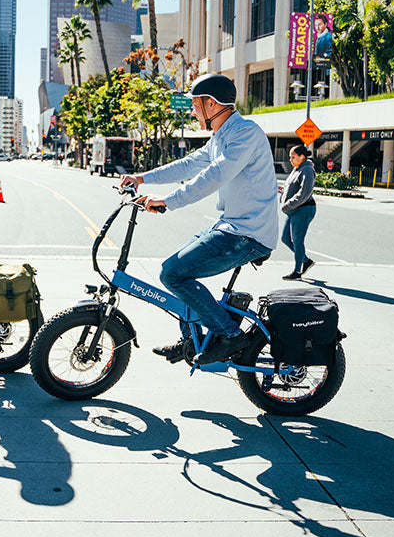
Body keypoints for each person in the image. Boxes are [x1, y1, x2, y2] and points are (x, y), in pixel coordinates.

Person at [120, 73, 279, 366]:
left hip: (249, 233)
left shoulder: (245, 134)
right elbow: (189, 165)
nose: (192, 111)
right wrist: (142, 178)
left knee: (173, 273)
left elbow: (214, 176)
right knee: (176, 269)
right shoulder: (222, 136)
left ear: (211, 103)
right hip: (231, 225)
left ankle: (230, 334)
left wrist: (168, 201)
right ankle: (191, 340)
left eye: (195, 105)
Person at [280, 144, 317, 280]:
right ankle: (306, 261)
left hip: (303, 209)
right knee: (285, 238)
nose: (290, 159)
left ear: (302, 157)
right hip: (293, 210)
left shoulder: (307, 170)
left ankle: (297, 272)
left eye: (293, 157)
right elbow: (291, 187)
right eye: (290, 157)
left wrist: (287, 205)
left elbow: (304, 193)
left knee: (297, 240)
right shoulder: (297, 168)